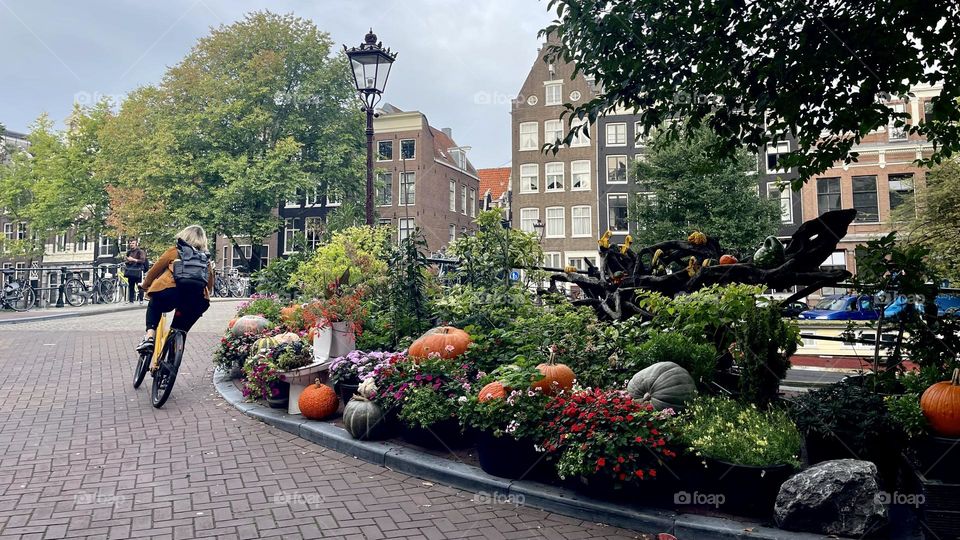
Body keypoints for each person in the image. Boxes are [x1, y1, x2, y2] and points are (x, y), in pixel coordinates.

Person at [136, 225, 215, 354]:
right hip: (197, 300)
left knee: (154, 305)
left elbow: (154, 271)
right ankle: (173, 360)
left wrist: (145, 286)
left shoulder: (175, 251)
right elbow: (209, 285)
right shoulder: (205, 257)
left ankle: (149, 337)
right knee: (180, 329)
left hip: (170, 292)